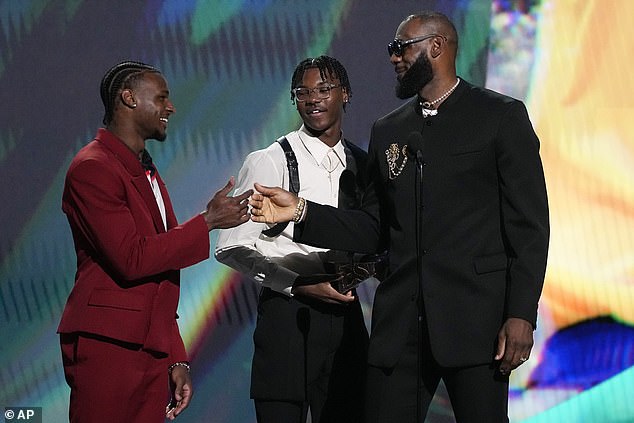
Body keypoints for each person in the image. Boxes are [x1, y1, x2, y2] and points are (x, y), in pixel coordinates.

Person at [249, 12, 549, 423]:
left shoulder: (500, 117)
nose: (393, 58)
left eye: (401, 47)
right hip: (401, 328)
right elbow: (373, 227)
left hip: (475, 322)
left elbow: (530, 227)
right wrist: (300, 212)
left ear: (437, 47)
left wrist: (520, 314)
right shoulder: (389, 129)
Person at [58, 60, 252, 423]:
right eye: (161, 97)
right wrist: (207, 221)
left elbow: (160, 273)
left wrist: (174, 355)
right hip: (108, 347)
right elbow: (131, 258)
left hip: (148, 350)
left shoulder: (143, 168)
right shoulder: (93, 167)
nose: (171, 107)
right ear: (128, 98)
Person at [215, 55, 369, 423]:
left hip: (346, 318)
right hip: (288, 318)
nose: (313, 99)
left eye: (324, 89)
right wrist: (296, 284)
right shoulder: (271, 160)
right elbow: (231, 246)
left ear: (345, 94)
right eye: (303, 92)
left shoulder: (363, 165)